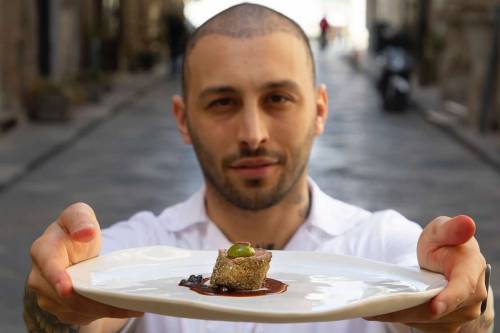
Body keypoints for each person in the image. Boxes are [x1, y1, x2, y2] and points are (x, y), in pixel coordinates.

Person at [24, 3, 494, 333]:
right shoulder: (142, 248)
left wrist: (463, 304)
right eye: (223, 102)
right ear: (183, 120)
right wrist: (59, 296)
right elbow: (79, 308)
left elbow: (455, 312)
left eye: (278, 99)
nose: (253, 132)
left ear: (319, 109)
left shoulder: (383, 246)